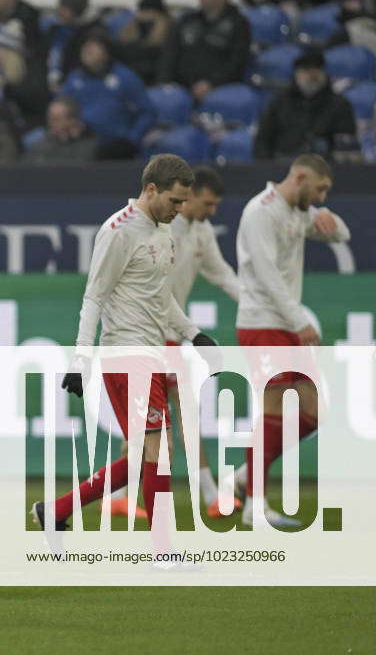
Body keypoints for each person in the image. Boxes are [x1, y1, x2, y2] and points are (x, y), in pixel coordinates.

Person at [31, 155, 217, 555]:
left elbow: (161, 297)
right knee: (157, 452)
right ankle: (164, 551)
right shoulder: (117, 231)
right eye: (175, 200)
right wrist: (80, 360)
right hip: (126, 354)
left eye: (184, 202)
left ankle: (56, 509)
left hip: (153, 353)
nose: (179, 209)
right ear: (151, 190)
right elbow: (94, 296)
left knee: (146, 455)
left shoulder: (162, 231)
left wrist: (194, 334)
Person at [105, 167, 241, 520]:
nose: (211, 211)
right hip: (150, 335)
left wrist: (252, 302)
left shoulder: (201, 230)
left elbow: (221, 272)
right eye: (207, 203)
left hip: (171, 336)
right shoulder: (160, 229)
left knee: (151, 425)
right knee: (177, 417)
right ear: (189, 196)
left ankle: (119, 495)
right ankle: (210, 494)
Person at [232, 154, 350, 527]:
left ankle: (244, 477)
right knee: (273, 409)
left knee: (314, 412)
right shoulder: (261, 213)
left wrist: (331, 220)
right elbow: (267, 275)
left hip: (284, 323)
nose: (320, 197)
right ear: (299, 178)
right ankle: (255, 506)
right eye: (319, 189)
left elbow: (342, 234)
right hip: (264, 322)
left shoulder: (298, 212)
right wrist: (300, 321)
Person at [62, 33, 155, 160]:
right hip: (80, 139)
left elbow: (147, 112)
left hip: (115, 143)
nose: (88, 49)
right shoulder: (74, 79)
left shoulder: (125, 77)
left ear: (107, 52)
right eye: (85, 46)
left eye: (94, 46)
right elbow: (60, 106)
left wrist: (133, 137)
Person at [253, 49, 360, 161]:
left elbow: (345, 145)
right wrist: (267, 168)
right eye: (306, 70)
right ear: (296, 74)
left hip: (324, 169)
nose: (312, 75)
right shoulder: (279, 102)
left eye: (317, 69)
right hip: (283, 166)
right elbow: (263, 140)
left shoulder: (340, 105)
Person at [158, 0, 252, 102]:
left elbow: (237, 62)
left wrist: (212, 83)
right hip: (180, 86)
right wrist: (165, 82)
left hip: (218, 87)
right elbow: (170, 55)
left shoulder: (239, 24)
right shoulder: (187, 21)